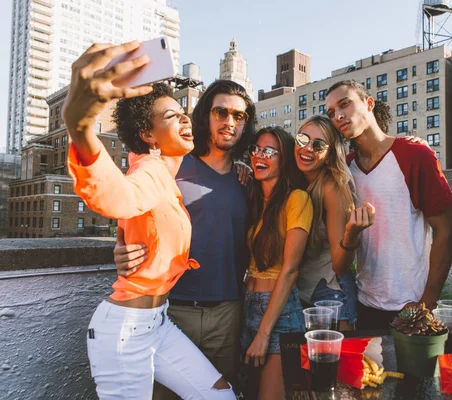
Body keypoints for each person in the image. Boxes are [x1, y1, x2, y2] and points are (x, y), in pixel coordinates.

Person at [64, 41, 235, 399]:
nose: (185, 118)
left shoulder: (166, 174)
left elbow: (138, 215)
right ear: (148, 136)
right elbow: (120, 197)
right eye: (171, 116)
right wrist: (79, 127)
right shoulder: (152, 171)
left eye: (182, 112)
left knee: (219, 394)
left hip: (158, 323)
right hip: (126, 331)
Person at [113, 79, 255, 398]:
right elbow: (135, 207)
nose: (229, 122)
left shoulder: (248, 179)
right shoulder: (174, 164)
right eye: (221, 111)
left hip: (227, 313)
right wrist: (120, 245)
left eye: (239, 115)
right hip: (171, 310)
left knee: (220, 393)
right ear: (206, 114)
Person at [325, 80, 452, 330]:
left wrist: (426, 303)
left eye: (345, 104)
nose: (339, 115)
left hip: (413, 306)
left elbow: (446, 231)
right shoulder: (345, 170)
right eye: (331, 113)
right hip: (364, 304)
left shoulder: (414, 155)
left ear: (369, 103)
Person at [242, 127, 313, 400]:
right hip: (248, 306)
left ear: (284, 160)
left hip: (280, 314)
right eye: (256, 149)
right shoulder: (255, 199)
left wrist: (263, 333)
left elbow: (291, 269)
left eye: (269, 151)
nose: (260, 155)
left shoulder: (297, 199)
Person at [294, 115, 374, 331]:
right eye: (302, 139)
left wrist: (352, 234)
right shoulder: (297, 179)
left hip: (330, 293)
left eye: (318, 144)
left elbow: (340, 265)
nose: (307, 148)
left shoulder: (332, 187)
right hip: (302, 290)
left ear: (330, 154)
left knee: (334, 363)